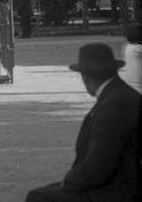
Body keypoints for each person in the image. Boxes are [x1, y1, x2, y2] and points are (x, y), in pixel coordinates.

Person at [25, 43, 140, 202]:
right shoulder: (120, 94)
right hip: (119, 182)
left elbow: (99, 165)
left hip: (116, 190)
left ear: (85, 77)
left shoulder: (115, 104)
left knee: (38, 197)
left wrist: (71, 180)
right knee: (49, 191)